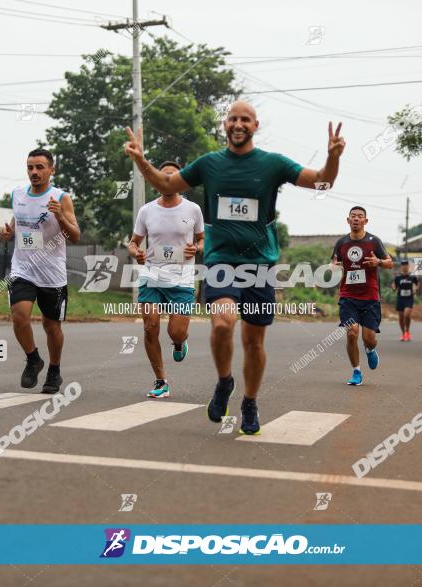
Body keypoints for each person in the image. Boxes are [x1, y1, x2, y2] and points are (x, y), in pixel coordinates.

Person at [123, 101, 345, 434]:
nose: (238, 124)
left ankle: (250, 401)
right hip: (222, 261)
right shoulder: (210, 164)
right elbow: (167, 185)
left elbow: (322, 182)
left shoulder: (272, 164)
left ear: (255, 125)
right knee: (222, 325)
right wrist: (141, 160)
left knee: (254, 343)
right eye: (232, 119)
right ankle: (225, 382)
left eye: (245, 119)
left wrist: (333, 157)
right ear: (225, 125)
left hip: (260, 265)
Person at [0, 148, 80, 393]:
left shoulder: (61, 198)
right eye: (30, 167)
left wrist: (60, 217)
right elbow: (19, 220)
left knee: (51, 325)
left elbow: (75, 236)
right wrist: (9, 232)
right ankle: (33, 358)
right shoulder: (17, 194)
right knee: (19, 315)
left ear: (51, 170)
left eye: (39, 167)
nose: (34, 172)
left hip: (52, 273)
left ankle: (54, 370)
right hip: (23, 268)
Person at [126, 161, 205, 399]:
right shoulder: (146, 211)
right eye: (163, 176)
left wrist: (197, 248)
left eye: (172, 176)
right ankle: (161, 381)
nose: (167, 180)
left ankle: (180, 343)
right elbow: (133, 242)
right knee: (150, 327)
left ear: (180, 181)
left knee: (176, 332)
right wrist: (135, 252)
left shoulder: (193, 210)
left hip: (182, 278)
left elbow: (202, 239)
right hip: (152, 275)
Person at [332, 207, 394, 385]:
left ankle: (370, 349)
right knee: (351, 333)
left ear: (366, 221)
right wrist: (334, 268)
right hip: (348, 296)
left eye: (360, 217)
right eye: (353, 216)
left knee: (369, 338)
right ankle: (356, 372)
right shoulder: (341, 243)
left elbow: (390, 263)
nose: (356, 219)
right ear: (348, 220)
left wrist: (379, 262)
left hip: (370, 296)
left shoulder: (374, 242)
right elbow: (334, 264)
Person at [391, 259, 419, 341]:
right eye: (403, 264)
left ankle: (407, 331)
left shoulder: (412, 276)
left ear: (408, 266)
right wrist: (393, 288)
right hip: (400, 298)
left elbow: (417, 284)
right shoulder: (398, 277)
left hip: (409, 298)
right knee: (401, 317)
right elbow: (394, 285)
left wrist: (415, 289)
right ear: (401, 266)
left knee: (407, 314)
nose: (405, 266)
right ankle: (403, 333)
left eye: (406, 264)